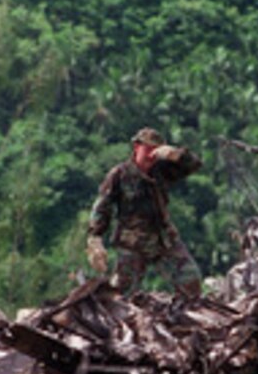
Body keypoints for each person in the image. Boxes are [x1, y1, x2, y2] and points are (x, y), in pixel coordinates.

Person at [87, 128, 203, 299]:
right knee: (122, 294)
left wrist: (177, 155)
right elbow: (103, 206)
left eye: (156, 151)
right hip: (133, 244)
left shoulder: (162, 170)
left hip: (164, 239)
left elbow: (195, 165)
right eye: (148, 150)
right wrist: (95, 237)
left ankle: (182, 319)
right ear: (136, 147)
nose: (151, 156)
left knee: (191, 281)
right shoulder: (120, 174)